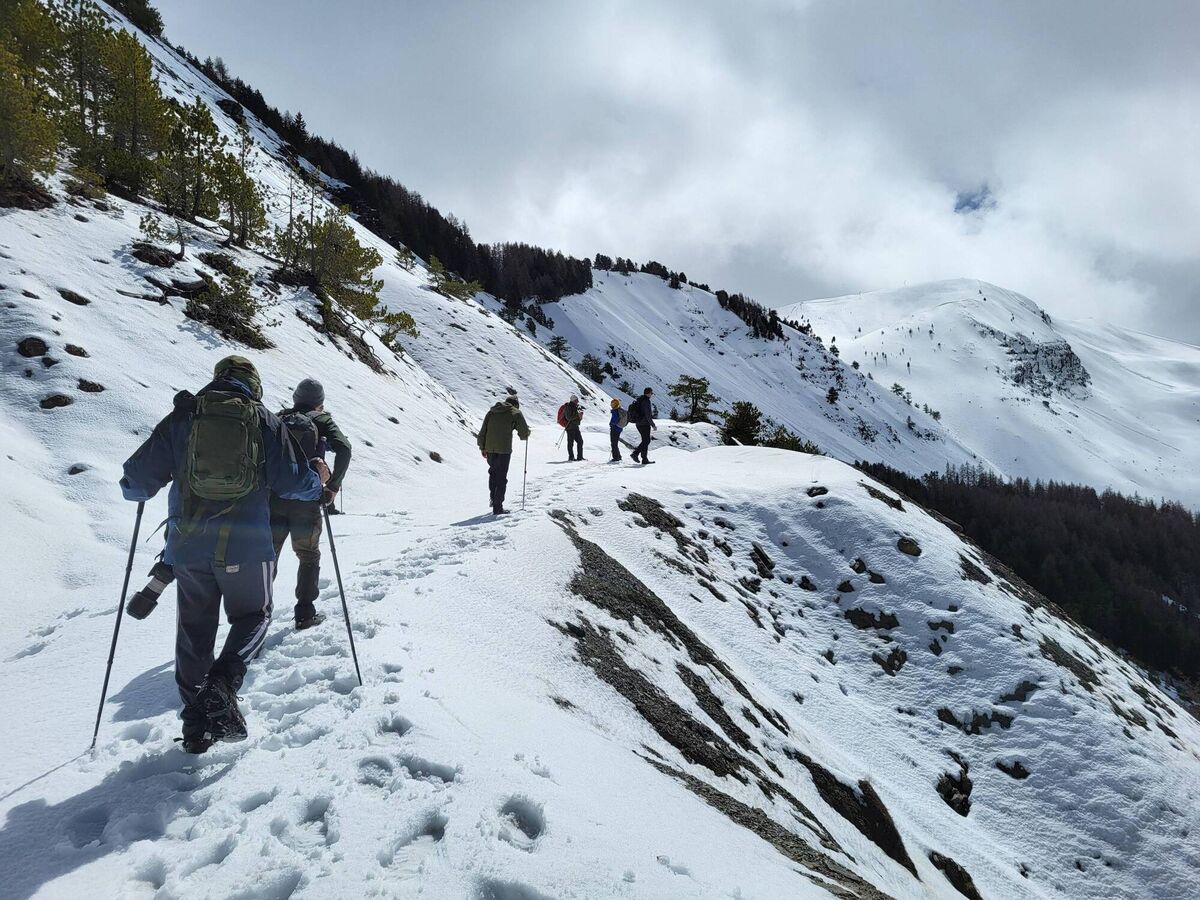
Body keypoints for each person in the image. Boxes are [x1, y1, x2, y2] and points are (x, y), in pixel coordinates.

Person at [120, 356, 328, 754]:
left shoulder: (185, 416)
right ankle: (223, 684)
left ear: (217, 378)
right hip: (248, 545)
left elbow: (135, 485)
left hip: (188, 547)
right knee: (254, 616)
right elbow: (294, 485)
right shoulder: (265, 420)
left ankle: (196, 727)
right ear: (255, 385)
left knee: (194, 632)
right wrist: (318, 477)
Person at [271, 378, 352, 631]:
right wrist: (332, 487)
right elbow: (345, 449)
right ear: (320, 402)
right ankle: (305, 613)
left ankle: (255, 617)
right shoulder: (321, 420)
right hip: (307, 501)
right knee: (308, 555)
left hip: (273, 499)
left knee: (267, 556)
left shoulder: (279, 418)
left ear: (295, 397)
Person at [477, 393, 530, 515]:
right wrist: (526, 434)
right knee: (501, 477)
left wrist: (482, 447)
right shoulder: (515, 412)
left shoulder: (492, 411)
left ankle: (493, 498)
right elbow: (523, 432)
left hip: (490, 448)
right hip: (504, 449)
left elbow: (483, 430)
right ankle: (498, 507)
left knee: (493, 472)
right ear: (516, 404)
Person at [629, 387, 657, 464]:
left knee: (645, 441)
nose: (651, 394)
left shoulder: (640, 399)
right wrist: (653, 425)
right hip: (644, 424)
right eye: (651, 393)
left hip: (638, 423)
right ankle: (636, 454)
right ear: (648, 393)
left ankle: (643, 458)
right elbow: (648, 415)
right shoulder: (646, 401)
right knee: (646, 440)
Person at [561, 394, 584, 461]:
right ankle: (571, 457)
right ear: (573, 400)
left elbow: (575, 417)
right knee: (571, 443)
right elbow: (569, 418)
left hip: (575, 427)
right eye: (576, 400)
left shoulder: (575, 407)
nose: (578, 401)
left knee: (580, 441)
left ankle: (580, 457)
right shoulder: (568, 407)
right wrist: (578, 415)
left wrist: (580, 417)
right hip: (570, 428)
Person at [609, 398, 625, 462]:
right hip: (619, 428)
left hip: (614, 428)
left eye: (612, 404)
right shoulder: (619, 410)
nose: (611, 405)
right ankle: (618, 456)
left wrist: (611, 424)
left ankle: (616, 457)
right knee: (615, 443)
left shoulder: (615, 411)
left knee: (613, 443)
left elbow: (615, 420)